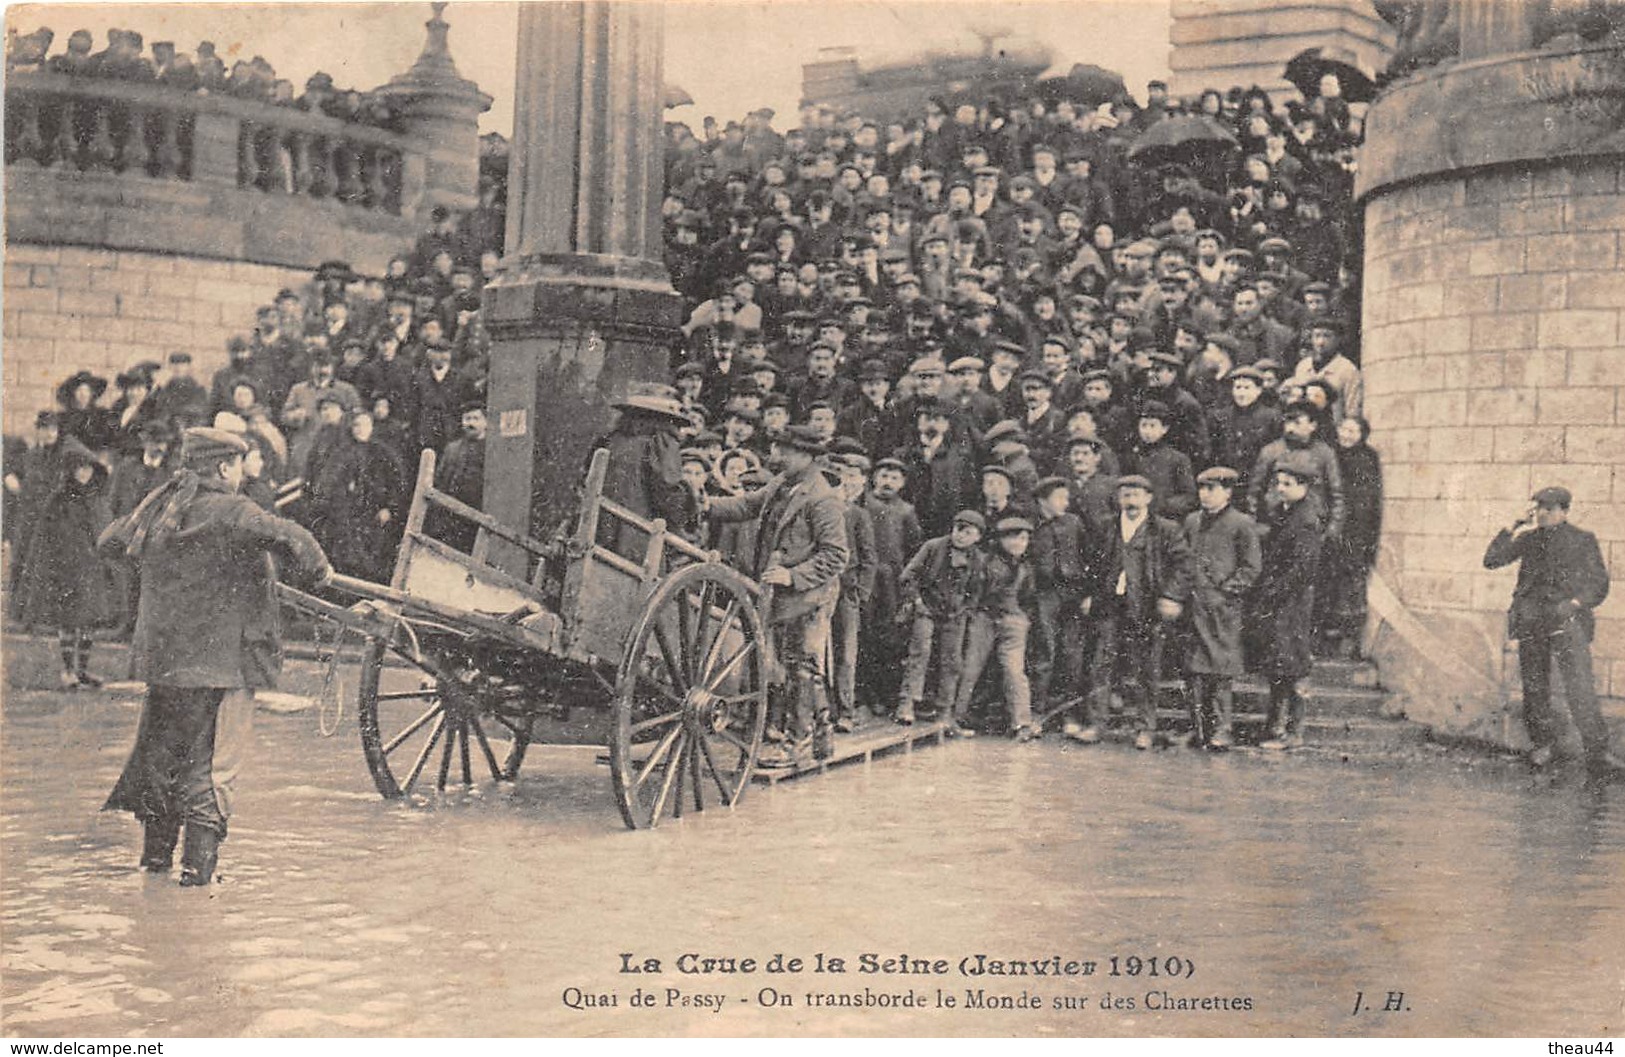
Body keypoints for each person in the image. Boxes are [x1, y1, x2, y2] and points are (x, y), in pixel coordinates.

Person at [98, 427, 331, 885]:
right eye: (240, 463)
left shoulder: (162, 504)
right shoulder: (232, 509)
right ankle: (198, 879)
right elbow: (290, 537)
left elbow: (110, 541)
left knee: (164, 761)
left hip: (165, 666)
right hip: (223, 666)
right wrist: (321, 570)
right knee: (214, 768)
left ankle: (156, 871)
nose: (243, 472)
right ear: (224, 467)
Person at [704, 424, 850, 766]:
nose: (777, 456)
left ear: (807, 456)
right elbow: (746, 506)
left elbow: (836, 555)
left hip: (811, 596)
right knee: (796, 666)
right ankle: (821, 733)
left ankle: (797, 742)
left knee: (801, 667)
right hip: (785, 596)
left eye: (785, 451)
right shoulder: (782, 484)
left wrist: (792, 575)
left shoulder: (822, 499)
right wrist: (707, 504)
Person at [1483, 486, 1620, 774]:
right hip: (1532, 621)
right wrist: (1513, 525)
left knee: (1580, 686)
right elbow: (1492, 560)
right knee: (1535, 687)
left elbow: (1599, 582)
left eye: (1550, 508)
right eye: (1539, 508)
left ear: (1564, 511)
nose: (1543, 513)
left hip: (1566, 621)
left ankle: (1597, 752)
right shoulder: (1528, 539)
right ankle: (1542, 745)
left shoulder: (1583, 540)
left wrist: (1576, 602)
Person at [1083, 475, 1193, 749]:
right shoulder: (1107, 527)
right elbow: (1093, 565)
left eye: (1136, 495)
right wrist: (1089, 596)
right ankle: (1097, 724)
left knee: (1147, 669)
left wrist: (1170, 596)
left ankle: (1145, 728)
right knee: (1102, 664)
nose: (1130, 501)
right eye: (1125, 496)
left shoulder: (1164, 530)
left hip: (1145, 608)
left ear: (1148, 498)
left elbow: (1183, 566)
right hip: (1111, 605)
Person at [14, 437, 115, 688]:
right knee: (69, 622)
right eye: (79, 468)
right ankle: (68, 671)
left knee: (89, 622)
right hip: (66, 571)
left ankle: (82, 671)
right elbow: (45, 538)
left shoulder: (96, 498)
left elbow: (105, 529)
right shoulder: (58, 500)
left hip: (91, 569)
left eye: (88, 467)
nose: (84, 473)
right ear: (70, 471)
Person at [1182, 467, 1262, 749]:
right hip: (1195, 606)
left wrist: (1226, 591)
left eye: (1212, 488)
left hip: (1223, 609)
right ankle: (1199, 729)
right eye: (1202, 488)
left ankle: (1222, 729)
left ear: (1228, 492)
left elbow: (1251, 568)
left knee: (1220, 670)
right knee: (1194, 669)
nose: (1205, 494)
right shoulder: (1192, 521)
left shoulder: (1241, 523)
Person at [1250, 452, 1325, 750]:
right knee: (1279, 664)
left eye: (1287, 483)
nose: (1280, 487)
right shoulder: (1286, 511)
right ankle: (1275, 728)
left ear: (1303, 485)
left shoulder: (1305, 519)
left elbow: (1302, 569)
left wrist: (1273, 592)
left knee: (1292, 664)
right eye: (1278, 482)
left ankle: (1291, 732)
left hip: (1293, 602)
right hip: (1282, 599)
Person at [895, 510, 988, 726]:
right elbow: (908, 576)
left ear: (977, 537)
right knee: (920, 651)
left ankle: (944, 709)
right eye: (958, 529)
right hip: (926, 607)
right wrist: (917, 602)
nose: (960, 535)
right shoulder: (933, 547)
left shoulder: (977, 559)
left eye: (968, 532)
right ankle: (907, 703)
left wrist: (965, 610)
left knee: (952, 660)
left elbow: (976, 591)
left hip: (954, 613)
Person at [957, 516, 1039, 741]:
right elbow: (974, 591)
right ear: (1001, 540)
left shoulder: (1025, 567)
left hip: (1013, 620)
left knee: (1014, 671)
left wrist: (1022, 619)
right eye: (1013, 538)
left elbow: (1028, 597)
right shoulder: (985, 562)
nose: (1018, 544)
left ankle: (1022, 722)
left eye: (1023, 539)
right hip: (985, 618)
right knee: (970, 668)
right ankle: (956, 717)